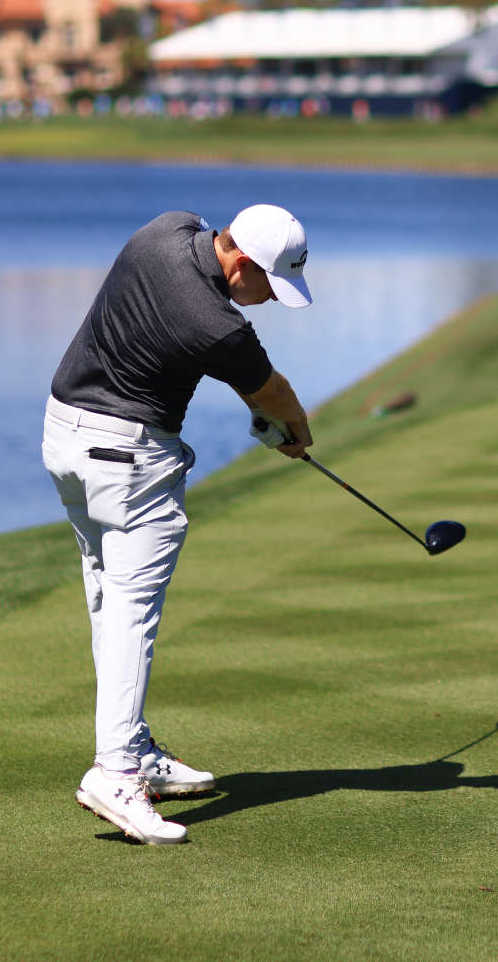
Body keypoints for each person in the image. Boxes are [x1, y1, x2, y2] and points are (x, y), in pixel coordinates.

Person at [43, 204, 314, 844]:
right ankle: (114, 773)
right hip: (129, 460)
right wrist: (297, 434)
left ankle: (131, 749)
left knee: (109, 599)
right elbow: (270, 394)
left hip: (63, 439)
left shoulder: (165, 228)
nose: (267, 301)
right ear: (242, 263)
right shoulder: (221, 327)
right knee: (132, 612)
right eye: (268, 287)